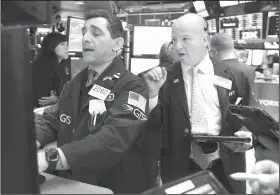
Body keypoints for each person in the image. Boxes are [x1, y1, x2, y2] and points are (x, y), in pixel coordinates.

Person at [35, 9, 156, 193]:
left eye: (96, 33)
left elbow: (113, 139)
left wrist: (51, 158)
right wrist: (25, 143)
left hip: (109, 186)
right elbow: (51, 120)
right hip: (73, 183)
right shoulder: (76, 83)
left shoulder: (132, 87)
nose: (85, 38)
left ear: (117, 44)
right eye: (84, 32)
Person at [144, 13, 256, 194]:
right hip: (179, 167)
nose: (178, 46)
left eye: (185, 39)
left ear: (205, 40)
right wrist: (152, 95)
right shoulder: (164, 78)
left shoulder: (234, 75)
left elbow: (250, 119)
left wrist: (247, 136)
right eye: (174, 40)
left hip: (225, 165)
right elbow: (153, 126)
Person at [32, 32, 69, 107]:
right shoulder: (42, 68)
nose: (66, 47)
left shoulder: (61, 65)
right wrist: (58, 99)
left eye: (67, 44)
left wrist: (58, 98)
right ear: (52, 46)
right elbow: (42, 100)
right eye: (62, 44)